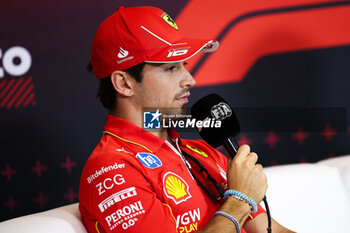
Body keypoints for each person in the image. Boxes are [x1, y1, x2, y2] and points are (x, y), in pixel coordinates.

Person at [79, 6, 294, 233]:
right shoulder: (112, 170)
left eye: (185, 66)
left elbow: (272, 231)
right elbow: (240, 204)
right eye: (171, 68)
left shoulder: (201, 152)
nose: (189, 80)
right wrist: (239, 201)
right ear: (124, 83)